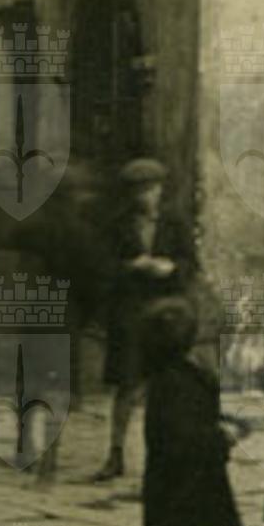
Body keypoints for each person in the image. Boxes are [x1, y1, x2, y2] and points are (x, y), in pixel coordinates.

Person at [138, 295, 241, 526]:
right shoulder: (176, 381)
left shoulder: (174, 375)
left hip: (190, 487)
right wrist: (222, 436)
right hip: (184, 490)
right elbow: (182, 440)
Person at [3, 161, 113, 480]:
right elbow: (97, 283)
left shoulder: (27, 230)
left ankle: (24, 445)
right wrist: (87, 317)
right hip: (65, 317)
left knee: (28, 384)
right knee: (58, 387)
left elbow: (5, 268)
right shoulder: (83, 236)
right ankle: (50, 456)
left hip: (32, 315)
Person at [93, 158, 194, 483]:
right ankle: (115, 454)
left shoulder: (175, 222)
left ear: (161, 189)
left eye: (151, 189)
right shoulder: (117, 224)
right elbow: (103, 267)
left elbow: (190, 263)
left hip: (166, 313)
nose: (146, 196)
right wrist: (132, 267)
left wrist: (172, 268)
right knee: (126, 385)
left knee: (164, 387)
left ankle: (159, 459)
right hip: (131, 314)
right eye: (139, 190)